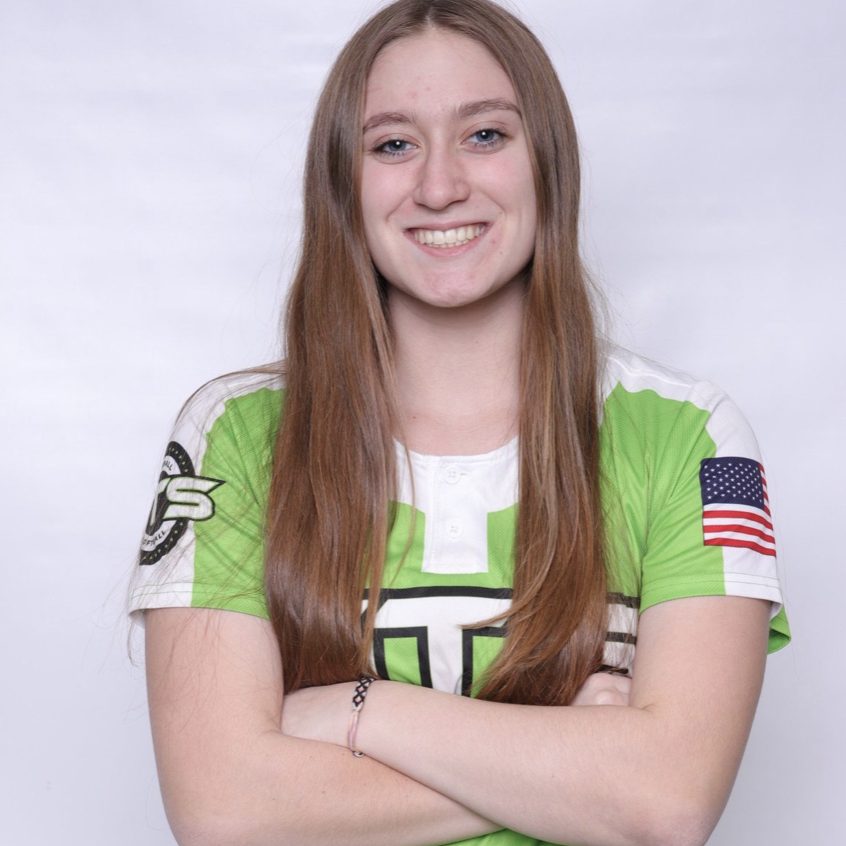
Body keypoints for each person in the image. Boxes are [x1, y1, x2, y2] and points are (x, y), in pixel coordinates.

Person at [128, 1, 790, 844]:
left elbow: (668, 802)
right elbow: (224, 813)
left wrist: (354, 710)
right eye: (392, 145)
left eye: (484, 135)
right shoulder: (236, 433)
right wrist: (577, 759)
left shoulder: (690, 434)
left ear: (547, 161)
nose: (439, 187)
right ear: (341, 181)